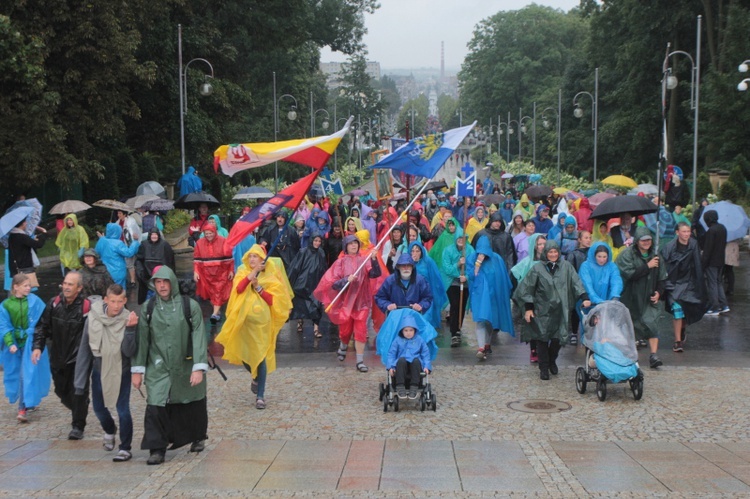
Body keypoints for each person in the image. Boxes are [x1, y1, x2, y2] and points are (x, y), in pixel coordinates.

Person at [131, 266, 208, 465]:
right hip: (158, 366)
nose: (162, 285)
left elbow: (199, 336)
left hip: (185, 363)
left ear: (172, 282)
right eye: (158, 282)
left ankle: (197, 436)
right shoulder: (149, 308)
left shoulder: (190, 306)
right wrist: (137, 371)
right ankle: (157, 448)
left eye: (165, 281)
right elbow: (143, 342)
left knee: (191, 400)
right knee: (155, 404)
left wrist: (198, 367)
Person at [217, 245, 293, 410]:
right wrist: (252, 274)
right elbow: (239, 288)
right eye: (250, 256)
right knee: (243, 353)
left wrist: (259, 287)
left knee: (260, 356)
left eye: (255, 257)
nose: (252, 259)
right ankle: (255, 376)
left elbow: (274, 301)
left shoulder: (271, 276)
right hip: (243, 322)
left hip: (261, 324)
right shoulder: (242, 272)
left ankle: (260, 395)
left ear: (262, 259)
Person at [73, 284, 137, 462]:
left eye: (120, 301)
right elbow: (85, 348)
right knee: (99, 408)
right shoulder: (93, 317)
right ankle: (110, 430)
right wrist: (80, 380)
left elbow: (130, 351)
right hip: (99, 367)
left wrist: (131, 330)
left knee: (122, 409)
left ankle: (125, 448)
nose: (116, 306)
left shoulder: (128, 319)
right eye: (113, 301)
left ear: (125, 301)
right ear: (105, 300)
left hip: (120, 369)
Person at [513, 240, 590, 379]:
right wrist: (529, 308)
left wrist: (584, 296)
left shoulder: (566, 267)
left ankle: (552, 360)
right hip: (542, 309)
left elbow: (575, 282)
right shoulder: (537, 268)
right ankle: (543, 367)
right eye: (550, 252)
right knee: (542, 338)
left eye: (555, 252)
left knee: (558, 339)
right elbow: (527, 288)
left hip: (561, 309)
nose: (553, 254)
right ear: (545, 253)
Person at [31, 271, 90, 439]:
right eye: (65, 283)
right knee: (61, 391)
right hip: (58, 357)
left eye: (70, 284)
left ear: (79, 288)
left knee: (79, 391)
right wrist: (37, 347)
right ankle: (81, 407)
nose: (66, 287)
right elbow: (43, 327)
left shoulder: (86, 308)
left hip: (79, 359)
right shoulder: (54, 304)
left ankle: (78, 426)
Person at [313, 235, 382, 373]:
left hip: (362, 303)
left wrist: (374, 260)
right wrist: (346, 280)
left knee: (361, 330)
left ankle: (360, 361)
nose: (354, 246)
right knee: (345, 331)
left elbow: (375, 274)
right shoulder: (340, 263)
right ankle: (343, 345)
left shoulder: (364, 260)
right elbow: (332, 283)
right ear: (346, 246)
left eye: (356, 243)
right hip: (345, 304)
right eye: (351, 244)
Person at [0, 274, 50, 423]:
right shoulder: (6, 305)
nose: (29, 288)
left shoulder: (35, 302)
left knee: (26, 374)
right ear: (15, 287)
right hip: (16, 344)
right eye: (25, 286)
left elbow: (43, 321)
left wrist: (37, 343)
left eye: (29, 285)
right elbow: (4, 326)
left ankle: (22, 407)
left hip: (31, 343)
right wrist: (10, 343)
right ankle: (28, 401)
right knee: (17, 374)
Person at [616, 227, 667, 368]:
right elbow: (629, 274)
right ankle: (631, 356)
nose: (646, 243)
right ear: (637, 241)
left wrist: (659, 292)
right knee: (632, 326)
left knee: (652, 323)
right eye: (643, 240)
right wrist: (647, 266)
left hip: (649, 297)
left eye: (649, 240)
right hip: (631, 297)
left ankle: (654, 355)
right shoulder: (627, 255)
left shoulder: (656, 256)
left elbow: (662, 277)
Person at [661, 222, 707, 352]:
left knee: (687, 309)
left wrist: (700, 284)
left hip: (689, 282)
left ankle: (682, 329)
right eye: (684, 231)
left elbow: (698, 264)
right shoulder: (669, 247)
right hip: (674, 283)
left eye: (688, 231)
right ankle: (677, 341)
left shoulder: (693, 244)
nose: (687, 234)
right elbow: (664, 266)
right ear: (677, 232)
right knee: (677, 310)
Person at [467, 236, 515, 360]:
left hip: (493, 295)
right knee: (481, 319)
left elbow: (502, 277)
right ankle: (481, 347)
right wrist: (478, 263)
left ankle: (486, 344)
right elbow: (471, 276)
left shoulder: (496, 258)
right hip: (478, 295)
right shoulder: (472, 258)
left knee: (490, 320)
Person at [510, 233, 547, 363]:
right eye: (539, 244)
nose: (542, 247)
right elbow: (515, 273)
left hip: (545, 298)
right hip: (531, 298)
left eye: (544, 244)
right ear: (534, 246)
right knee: (532, 323)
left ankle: (543, 349)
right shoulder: (527, 262)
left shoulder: (548, 261)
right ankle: (533, 349)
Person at [287, 235, 327, 338]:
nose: (317, 243)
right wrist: (291, 281)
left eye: (319, 241)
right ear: (311, 241)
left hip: (315, 283)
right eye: (315, 240)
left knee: (316, 305)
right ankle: (300, 322)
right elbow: (296, 267)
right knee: (301, 305)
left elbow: (323, 268)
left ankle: (316, 329)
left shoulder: (321, 253)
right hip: (303, 284)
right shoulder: (303, 252)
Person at [194, 220, 234, 323]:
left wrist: (230, 270)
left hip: (221, 272)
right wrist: (196, 272)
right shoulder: (199, 243)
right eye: (206, 233)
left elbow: (229, 258)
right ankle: (217, 311)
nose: (208, 235)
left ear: (214, 232)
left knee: (218, 291)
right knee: (210, 294)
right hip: (205, 273)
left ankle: (215, 314)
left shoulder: (223, 241)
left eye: (210, 233)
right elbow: (197, 260)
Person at [386, 312, 432, 400]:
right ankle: (400, 386)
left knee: (416, 360)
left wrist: (426, 366)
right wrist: (391, 367)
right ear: (402, 331)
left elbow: (425, 354)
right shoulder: (397, 340)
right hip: (401, 365)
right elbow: (391, 354)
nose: (408, 333)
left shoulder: (419, 340)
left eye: (411, 330)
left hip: (415, 365)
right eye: (406, 330)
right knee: (401, 360)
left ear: (415, 330)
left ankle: (414, 386)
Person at [440, 234, 475, 347]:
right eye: (459, 238)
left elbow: (473, 268)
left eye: (463, 238)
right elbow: (446, 268)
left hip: (465, 284)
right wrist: (458, 265)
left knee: (462, 306)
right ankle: (454, 332)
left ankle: (458, 328)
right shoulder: (448, 250)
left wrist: (466, 277)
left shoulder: (470, 250)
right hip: (452, 283)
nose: (460, 240)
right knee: (455, 305)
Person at [407, 241, 447, 332]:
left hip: (427, 297)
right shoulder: (407, 264)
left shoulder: (428, 262)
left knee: (426, 321)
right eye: (412, 251)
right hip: (412, 297)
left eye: (417, 251)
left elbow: (436, 279)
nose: (415, 253)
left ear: (422, 251)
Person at [136, 227, 176, 304]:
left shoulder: (165, 245)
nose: (154, 236)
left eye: (155, 234)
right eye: (152, 235)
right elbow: (139, 260)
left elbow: (170, 261)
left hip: (162, 275)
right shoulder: (144, 244)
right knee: (149, 297)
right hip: (147, 277)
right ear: (149, 235)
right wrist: (140, 272)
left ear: (158, 235)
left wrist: (171, 275)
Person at [94, 223, 140, 289]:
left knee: (106, 291)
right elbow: (129, 253)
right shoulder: (118, 243)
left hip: (104, 271)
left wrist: (102, 238)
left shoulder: (101, 241)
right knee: (119, 292)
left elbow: (96, 254)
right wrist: (135, 242)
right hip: (117, 272)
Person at [701, 210, 728, 316]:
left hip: (711, 262)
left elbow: (707, 250)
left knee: (712, 284)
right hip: (721, 260)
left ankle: (714, 307)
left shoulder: (711, 231)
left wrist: (703, 263)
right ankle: (723, 304)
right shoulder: (722, 228)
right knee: (718, 282)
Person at [8, 219, 47, 284]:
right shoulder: (22, 236)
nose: (26, 223)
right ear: (22, 224)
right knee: (26, 287)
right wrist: (44, 232)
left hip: (15, 267)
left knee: (19, 287)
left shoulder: (12, 236)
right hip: (24, 267)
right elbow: (38, 244)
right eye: (25, 222)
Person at [115, 209, 142, 287]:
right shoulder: (117, 222)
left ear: (124, 214)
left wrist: (135, 242)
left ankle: (132, 280)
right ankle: (124, 279)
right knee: (122, 263)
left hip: (129, 245)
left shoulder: (131, 222)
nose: (118, 215)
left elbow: (136, 232)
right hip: (120, 245)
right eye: (118, 213)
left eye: (120, 213)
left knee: (130, 263)